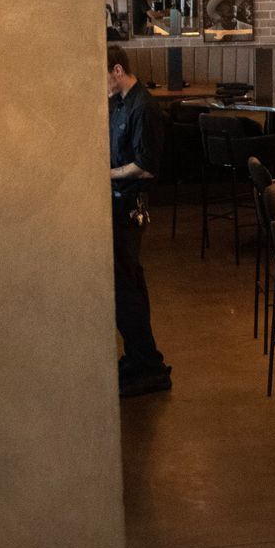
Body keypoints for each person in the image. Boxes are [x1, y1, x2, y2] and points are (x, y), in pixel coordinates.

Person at [108, 47, 171, 396]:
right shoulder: (120, 103)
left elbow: (146, 166)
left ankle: (149, 366)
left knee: (126, 289)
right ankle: (141, 357)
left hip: (131, 205)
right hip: (119, 203)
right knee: (128, 285)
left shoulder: (144, 107)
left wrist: (106, 174)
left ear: (117, 70)